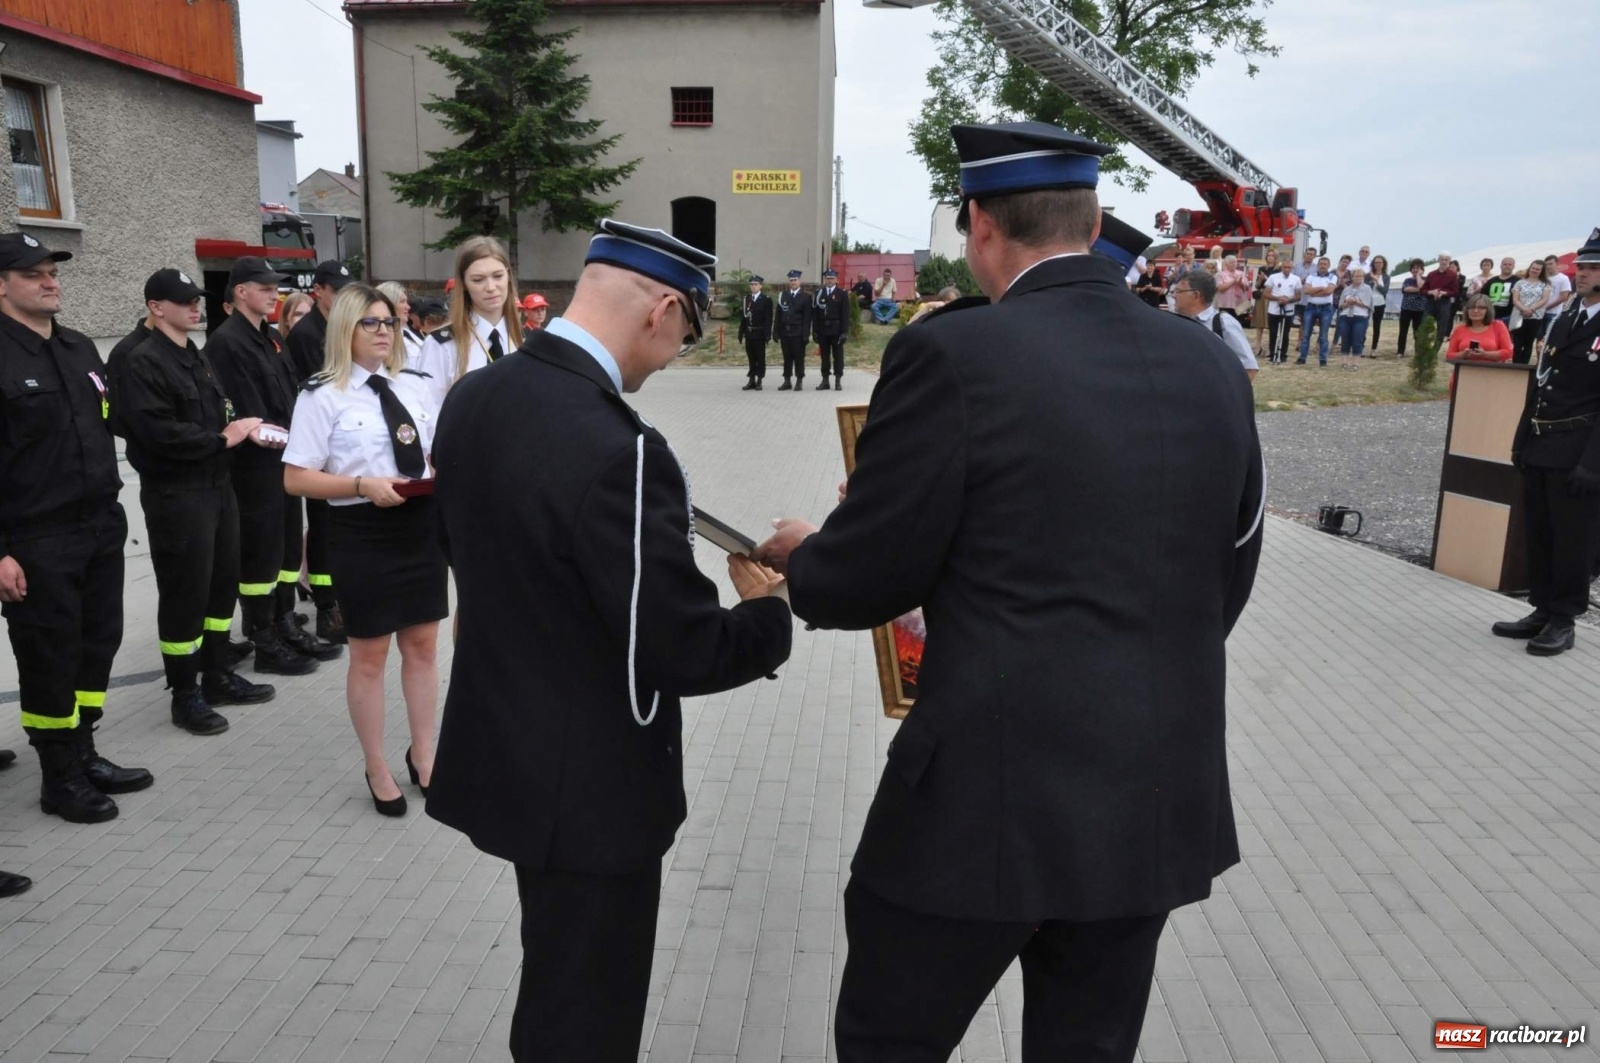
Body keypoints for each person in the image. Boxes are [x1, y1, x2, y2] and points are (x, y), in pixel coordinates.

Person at [755, 119, 1263, 1063]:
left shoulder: (952, 355)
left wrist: (806, 553)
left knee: (887, 1038)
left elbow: (867, 576)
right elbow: (1226, 574)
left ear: (979, 225)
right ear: (1094, 216)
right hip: (1153, 791)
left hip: (981, 804)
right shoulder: (1211, 364)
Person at [427, 218, 793, 1062]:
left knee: (555, 982)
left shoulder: (476, 397)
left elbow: (469, 556)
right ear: (663, 308)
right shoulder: (624, 449)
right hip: (593, 786)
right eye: (682, 337)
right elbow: (680, 647)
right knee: (588, 1011)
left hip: (510, 751)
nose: (668, 360)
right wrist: (767, 617)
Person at [0, 232, 154, 846]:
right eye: (33, 273)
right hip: (35, 538)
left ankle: (85, 750)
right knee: (49, 657)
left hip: (98, 527)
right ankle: (58, 776)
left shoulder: (78, 346)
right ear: (2, 284)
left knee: (97, 645)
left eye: (52, 271)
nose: (50, 281)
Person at [283, 284, 449, 817]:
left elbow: (433, 452)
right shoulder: (321, 394)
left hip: (420, 527)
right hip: (362, 531)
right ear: (345, 330)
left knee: (423, 646)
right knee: (370, 655)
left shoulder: (418, 385)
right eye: (370, 323)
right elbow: (295, 478)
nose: (384, 331)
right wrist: (359, 485)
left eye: (389, 322)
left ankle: (424, 752)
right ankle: (376, 764)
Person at [120, 268, 282, 735]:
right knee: (185, 596)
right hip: (178, 495)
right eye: (184, 300)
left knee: (219, 588)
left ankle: (216, 674)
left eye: (198, 299)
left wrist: (245, 428)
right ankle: (184, 694)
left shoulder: (195, 355)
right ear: (156, 307)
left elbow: (222, 411)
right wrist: (222, 438)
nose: (196, 307)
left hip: (217, 488)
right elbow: (157, 432)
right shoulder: (143, 361)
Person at [206, 258, 339, 673]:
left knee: (283, 553)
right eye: (264, 287)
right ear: (240, 292)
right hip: (255, 468)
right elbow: (251, 413)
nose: (273, 293)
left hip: (283, 462)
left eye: (275, 286)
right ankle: (263, 638)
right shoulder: (228, 342)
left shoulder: (269, 339)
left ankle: (284, 625)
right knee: (260, 558)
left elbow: (293, 395)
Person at [1495, 228, 1600, 656]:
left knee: (1574, 537)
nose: (1583, 275)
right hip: (1543, 442)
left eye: (1593, 270)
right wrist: (1522, 439)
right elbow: (1542, 384)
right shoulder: (1568, 318)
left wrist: (1594, 464)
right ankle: (1541, 606)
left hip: (1578, 449)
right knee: (1538, 531)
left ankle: (1564, 618)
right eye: (1583, 268)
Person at [284, 259, 354, 644]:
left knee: (335, 526)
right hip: (320, 444)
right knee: (324, 525)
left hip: (341, 442)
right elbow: (323, 388)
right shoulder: (308, 333)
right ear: (320, 291)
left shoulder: (338, 327)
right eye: (336, 289)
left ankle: (335, 596)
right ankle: (326, 606)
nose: (343, 295)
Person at [413, 236, 523, 408]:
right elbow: (430, 414)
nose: (491, 287)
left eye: (498, 276)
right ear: (463, 283)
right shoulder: (442, 346)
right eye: (478, 280)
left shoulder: (525, 341)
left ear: (508, 276)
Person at [1173, 268, 1258, 379]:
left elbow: (1249, 368)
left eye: (1178, 291)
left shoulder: (1223, 323)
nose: (1174, 296)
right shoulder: (1177, 322)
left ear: (1196, 295)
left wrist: (1225, 394)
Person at [1510, 260, 1554, 365]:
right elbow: (1515, 299)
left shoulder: (1545, 284)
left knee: (1528, 343)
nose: (1534, 270)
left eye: (1537, 269)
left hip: (1535, 317)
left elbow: (1544, 299)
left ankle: (1524, 365)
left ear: (1541, 271)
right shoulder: (1520, 282)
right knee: (1517, 342)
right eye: (1533, 268)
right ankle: (1516, 364)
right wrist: (1524, 309)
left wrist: (1531, 309)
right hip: (1519, 316)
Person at [774, 269, 810, 391]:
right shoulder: (783, 295)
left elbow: (807, 318)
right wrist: (776, 331)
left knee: (799, 358)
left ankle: (799, 380)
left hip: (798, 333)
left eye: (795, 280)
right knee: (787, 358)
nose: (793, 282)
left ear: (799, 281)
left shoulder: (805, 297)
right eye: (791, 280)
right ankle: (787, 380)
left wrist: (806, 334)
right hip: (785, 332)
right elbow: (778, 315)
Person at [814, 267, 850, 389]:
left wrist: (844, 331)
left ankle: (838, 380)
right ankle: (825, 380)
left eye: (832, 278)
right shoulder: (819, 293)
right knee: (824, 356)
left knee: (838, 356)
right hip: (823, 329)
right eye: (827, 278)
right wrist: (814, 331)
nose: (829, 280)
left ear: (836, 279)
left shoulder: (842, 294)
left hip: (836, 329)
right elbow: (816, 314)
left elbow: (845, 313)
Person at [1297, 256, 1336, 365]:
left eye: (1325, 264)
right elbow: (1306, 291)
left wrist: (1313, 291)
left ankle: (1323, 359)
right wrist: (1321, 288)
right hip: (1311, 307)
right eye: (1321, 264)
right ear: (1318, 265)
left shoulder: (1333, 277)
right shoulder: (1311, 276)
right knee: (1306, 334)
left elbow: (1329, 291)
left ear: (1328, 266)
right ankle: (1302, 358)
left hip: (1326, 308)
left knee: (1323, 335)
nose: (1322, 266)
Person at [1263, 258, 1302, 365]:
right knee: (1273, 332)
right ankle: (1273, 354)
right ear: (1281, 267)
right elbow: (1265, 293)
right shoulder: (1273, 277)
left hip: (1288, 309)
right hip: (1274, 309)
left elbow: (1298, 296)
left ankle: (1283, 355)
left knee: (1285, 333)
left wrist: (1288, 300)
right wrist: (1277, 299)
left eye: (1288, 267)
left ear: (1292, 268)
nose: (1286, 269)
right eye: (1284, 267)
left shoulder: (1296, 279)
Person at [1335, 266, 1375, 367]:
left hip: (1360, 317)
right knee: (1345, 340)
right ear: (1352, 277)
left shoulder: (1367, 288)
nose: (1358, 278)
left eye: (1360, 276)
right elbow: (1341, 305)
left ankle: (1355, 363)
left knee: (1357, 340)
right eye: (1356, 276)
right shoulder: (1347, 289)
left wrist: (1356, 301)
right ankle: (1344, 362)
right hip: (1345, 316)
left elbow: (1368, 304)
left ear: (1363, 277)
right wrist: (1347, 303)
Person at [737, 274, 772, 390]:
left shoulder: (766, 300)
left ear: (760, 286)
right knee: (751, 358)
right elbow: (744, 318)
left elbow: (768, 319)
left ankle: (759, 380)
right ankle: (751, 379)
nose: (753, 287)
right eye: (751, 284)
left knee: (760, 357)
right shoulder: (747, 299)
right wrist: (741, 332)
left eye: (756, 284)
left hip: (759, 333)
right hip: (749, 333)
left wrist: (767, 335)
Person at [377, 282, 423, 366]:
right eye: (402, 302)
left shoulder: (406, 332)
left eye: (406, 301)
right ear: (390, 304)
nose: (408, 307)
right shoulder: (383, 337)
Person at [1397, 258, 1429, 357]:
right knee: (1403, 331)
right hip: (1406, 308)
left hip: (1420, 309)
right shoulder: (1407, 280)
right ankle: (1400, 351)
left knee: (1418, 332)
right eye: (1414, 268)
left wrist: (1419, 276)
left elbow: (1422, 286)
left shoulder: (1426, 279)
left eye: (1418, 268)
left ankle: (1418, 351)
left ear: (1422, 269)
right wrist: (1419, 289)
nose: (1415, 270)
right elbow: (1406, 289)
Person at [1424, 254, 1461, 339]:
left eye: (1446, 260)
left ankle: (1436, 349)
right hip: (1430, 303)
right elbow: (1423, 290)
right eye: (1442, 259)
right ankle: (1424, 347)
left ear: (1448, 261)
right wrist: (1431, 292)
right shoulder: (1431, 274)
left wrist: (1445, 293)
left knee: (1442, 327)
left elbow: (1455, 291)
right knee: (1425, 325)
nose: (1444, 262)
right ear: (1438, 260)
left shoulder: (1452, 275)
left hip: (1444, 303)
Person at [1251, 247, 1280, 350]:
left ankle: (1270, 346)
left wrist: (1267, 279)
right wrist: (1261, 279)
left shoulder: (1278, 270)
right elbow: (1258, 285)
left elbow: (1277, 284)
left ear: (1276, 257)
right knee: (1260, 322)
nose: (1270, 257)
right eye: (1269, 255)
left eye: (1272, 256)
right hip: (1262, 295)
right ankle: (1258, 345)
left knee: (1270, 322)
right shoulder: (1262, 269)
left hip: (1272, 295)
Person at [1542, 254, 1574, 349]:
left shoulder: (1563, 278)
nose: (1548, 266)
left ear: (1557, 264)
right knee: (1539, 337)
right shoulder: (1543, 278)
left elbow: (1564, 296)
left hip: (1554, 313)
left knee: (1550, 338)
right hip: (1539, 312)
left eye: (1550, 264)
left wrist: (1547, 307)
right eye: (1546, 264)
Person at [1214, 254, 1252, 323]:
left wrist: (1240, 283)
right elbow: (1220, 289)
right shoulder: (1220, 275)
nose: (1234, 264)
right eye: (1231, 262)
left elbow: (1247, 288)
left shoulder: (1241, 273)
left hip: (1239, 305)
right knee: (1225, 324)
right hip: (1225, 305)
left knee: (1238, 324)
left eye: (1235, 262)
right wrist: (1233, 282)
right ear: (1226, 264)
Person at [1368, 255, 1391, 352]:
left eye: (1380, 262)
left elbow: (1384, 291)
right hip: (1368, 303)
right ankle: (1360, 347)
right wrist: (1371, 279)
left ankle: (1373, 349)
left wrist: (1377, 280)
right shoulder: (1367, 275)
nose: (1378, 264)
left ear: (1383, 264)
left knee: (1376, 327)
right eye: (1376, 262)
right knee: (1364, 325)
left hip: (1380, 303)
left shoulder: (1386, 277)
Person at [1484, 257, 1519, 322]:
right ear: (1501, 266)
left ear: (1513, 266)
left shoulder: (1518, 281)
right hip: (1490, 317)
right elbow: (1483, 297)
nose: (1507, 266)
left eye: (1509, 264)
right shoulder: (1491, 281)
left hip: (1509, 317)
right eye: (1505, 264)